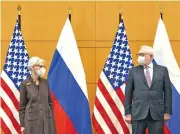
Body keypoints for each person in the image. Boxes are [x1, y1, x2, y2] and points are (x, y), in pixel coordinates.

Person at [125, 45, 172, 134]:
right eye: (138, 54)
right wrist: (128, 113)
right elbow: (128, 93)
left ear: (151, 56)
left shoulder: (162, 70)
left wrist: (167, 112)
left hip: (157, 112)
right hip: (138, 112)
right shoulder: (133, 71)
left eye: (142, 54)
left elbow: (168, 92)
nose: (139, 57)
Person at [19, 57, 56, 134]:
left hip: (47, 121)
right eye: (40, 66)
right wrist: (22, 125)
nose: (42, 68)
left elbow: (50, 103)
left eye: (43, 66)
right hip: (31, 122)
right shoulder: (25, 84)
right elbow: (22, 107)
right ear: (32, 67)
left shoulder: (45, 83)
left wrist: (51, 118)